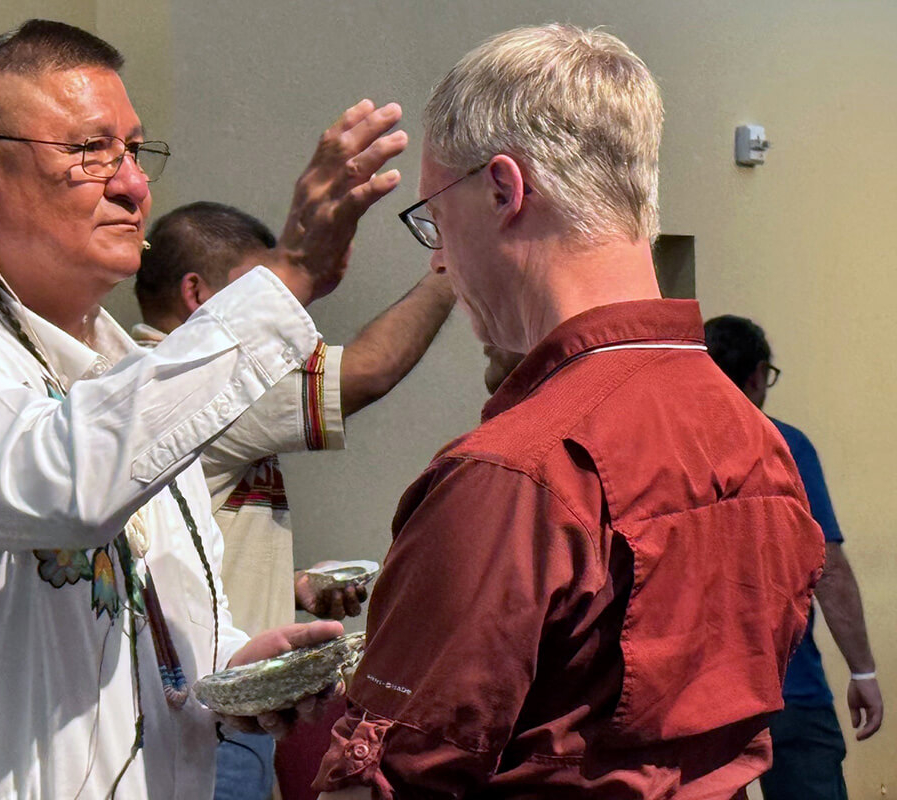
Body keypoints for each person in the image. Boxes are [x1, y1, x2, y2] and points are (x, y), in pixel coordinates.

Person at [0, 20, 411, 800]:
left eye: (134, 151)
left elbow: (139, 611)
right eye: (90, 151)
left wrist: (231, 669)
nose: (133, 186)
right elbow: (63, 485)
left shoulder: (129, 378)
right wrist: (288, 273)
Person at [314, 24, 825, 799]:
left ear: (503, 190)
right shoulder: (757, 442)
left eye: (436, 221)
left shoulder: (516, 474)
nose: (441, 258)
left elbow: (381, 784)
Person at [132, 201, 456, 799]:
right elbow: (369, 371)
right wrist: (452, 265)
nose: (284, 313)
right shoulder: (192, 388)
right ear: (197, 295)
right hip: (214, 716)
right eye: (260, 293)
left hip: (221, 708)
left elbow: (184, 561)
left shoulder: (153, 388)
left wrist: (293, 586)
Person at [705, 314, 884, 800]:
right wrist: (863, 671)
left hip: (698, 694)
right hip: (788, 684)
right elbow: (828, 569)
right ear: (757, 375)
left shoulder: (671, 451)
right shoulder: (785, 446)